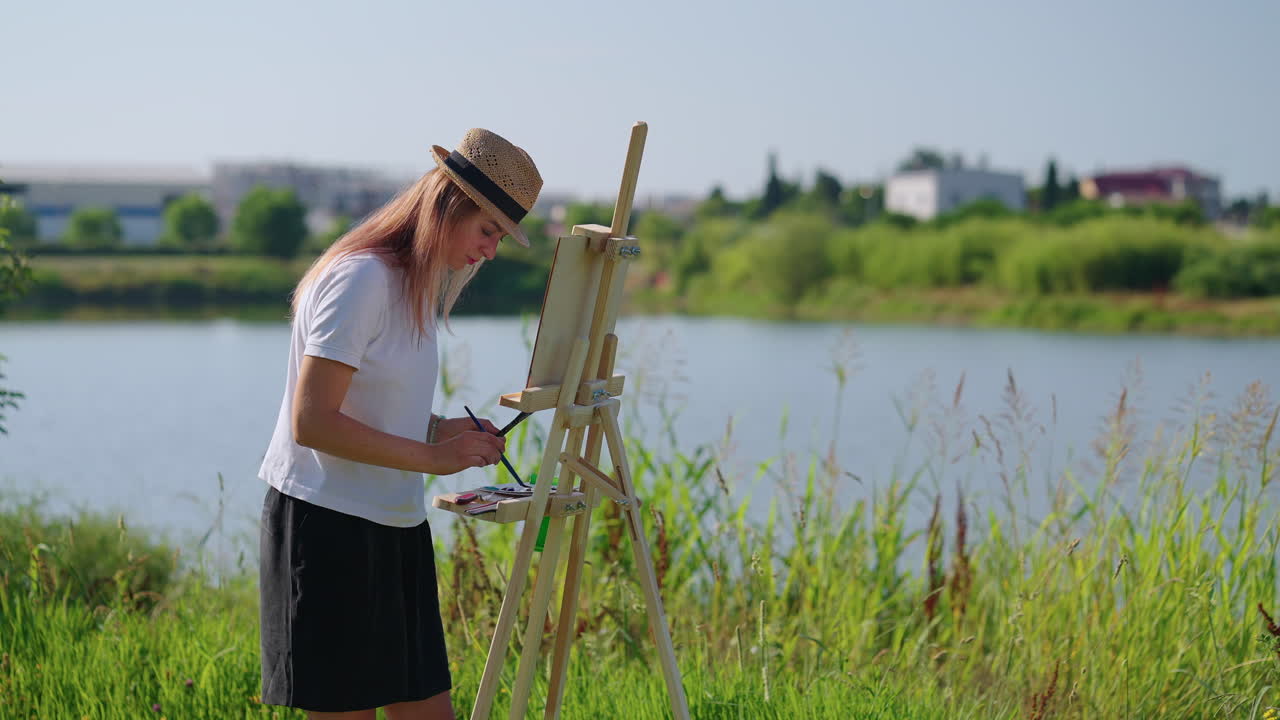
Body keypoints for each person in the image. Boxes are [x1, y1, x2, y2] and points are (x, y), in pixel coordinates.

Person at [257, 128, 543, 720]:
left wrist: (444, 432)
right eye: (487, 229)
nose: (491, 251)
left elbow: (374, 410)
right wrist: (439, 460)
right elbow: (313, 423)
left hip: (395, 525)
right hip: (329, 526)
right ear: (446, 204)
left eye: (500, 237)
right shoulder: (361, 279)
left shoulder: (412, 285)